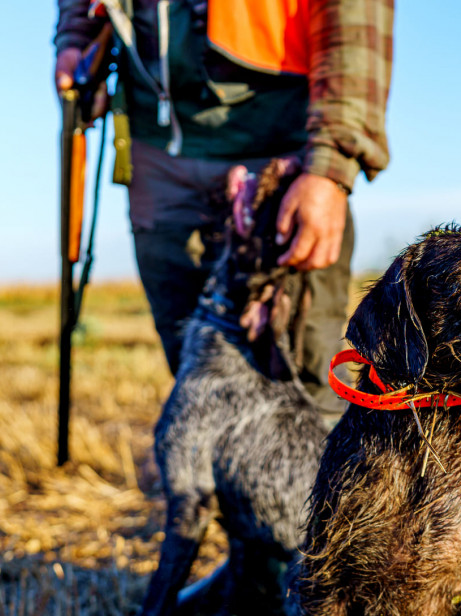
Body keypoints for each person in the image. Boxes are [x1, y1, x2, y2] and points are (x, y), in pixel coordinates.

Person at [54, 0, 393, 412]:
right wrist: (77, 40)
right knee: (193, 367)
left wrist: (329, 167)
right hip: (155, 147)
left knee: (304, 376)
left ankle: (319, 473)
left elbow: (355, 14)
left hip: (281, 146)